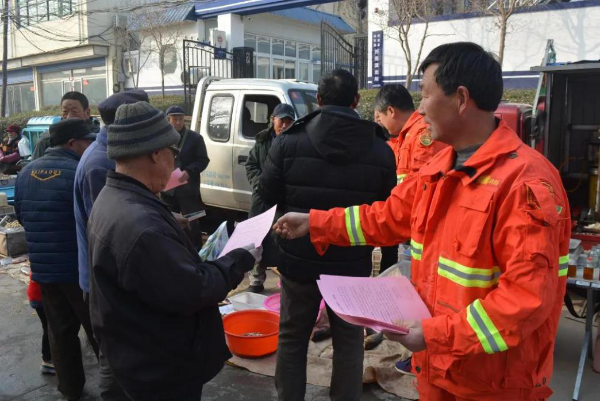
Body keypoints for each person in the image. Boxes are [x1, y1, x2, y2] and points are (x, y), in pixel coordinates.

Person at [274, 42, 571, 401]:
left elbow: (524, 301)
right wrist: (316, 223)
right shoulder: (439, 168)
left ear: (461, 99)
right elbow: (386, 217)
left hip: (492, 384)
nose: (419, 108)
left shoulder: (524, 183)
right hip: (437, 369)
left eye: (426, 94)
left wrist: (434, 335)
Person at [87, 101, 259, 401]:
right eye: (173, 153)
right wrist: (239, 259)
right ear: (156, 154)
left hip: (137, 352)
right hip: (161, 368)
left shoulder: (113, 197)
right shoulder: (142, 228)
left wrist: (165, 219)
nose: (175, 164)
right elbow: (194, 290)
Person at [258, 69, 396, 401]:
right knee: (349, 341)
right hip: (352, 263)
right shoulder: (381, 150)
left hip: (298, 261)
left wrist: (277, 241)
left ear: (318, 100)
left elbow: (265, 196)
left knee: (292, 337)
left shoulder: (288, 142)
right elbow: (388, 213)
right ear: (356, 100)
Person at [14, 118, 99, 401]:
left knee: (60, 332)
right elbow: (93, 220)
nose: (90, 146)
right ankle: (116, 390)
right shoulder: (78, 171)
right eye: (87, 141)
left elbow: (22, 216)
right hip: (78, 271)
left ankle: (70, 390)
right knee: (99, 332)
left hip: (44, 270)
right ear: (72, 143)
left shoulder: (26, 172)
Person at [73, 89, 149, 401]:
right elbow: (112, 232)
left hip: (110, 275)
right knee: (115, 361)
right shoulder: (99, 163)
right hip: (103, 280)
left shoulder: (110, 155)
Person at [245, 103, 295, 293]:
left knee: (282, 238)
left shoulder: (295, 141)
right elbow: (251, 165)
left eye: (289, 121)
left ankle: (287, 281)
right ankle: (256, 279)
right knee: (256, 238)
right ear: (272, 119)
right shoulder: (262, 141)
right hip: (261, 198)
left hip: (283, 199)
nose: (285, 125)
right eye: (281, 121)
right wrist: (260, 183)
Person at [160, 105, 210, 250]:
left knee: (193, 222)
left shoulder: (195, 138)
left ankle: (196, 252)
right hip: (167, 189)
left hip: (188, 188)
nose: (178, 122)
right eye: (174, 119)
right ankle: (174, 250)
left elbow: (203, 160)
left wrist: (189, 171)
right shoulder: (161, 138)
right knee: (168, 221)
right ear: (168, 120)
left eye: (180, 119)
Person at [32, 91, 100, 160]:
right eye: (65, 112)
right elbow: (35, 165)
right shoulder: (47, 140)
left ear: (87, 113)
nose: (69, 117)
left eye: (74, 112)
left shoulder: (99, 138)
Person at [26, 272, 55, 375]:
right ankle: (47, 361)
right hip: (40, 297)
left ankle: (50, 357)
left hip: (37, 295)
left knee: (49, 326)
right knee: (49, 327)